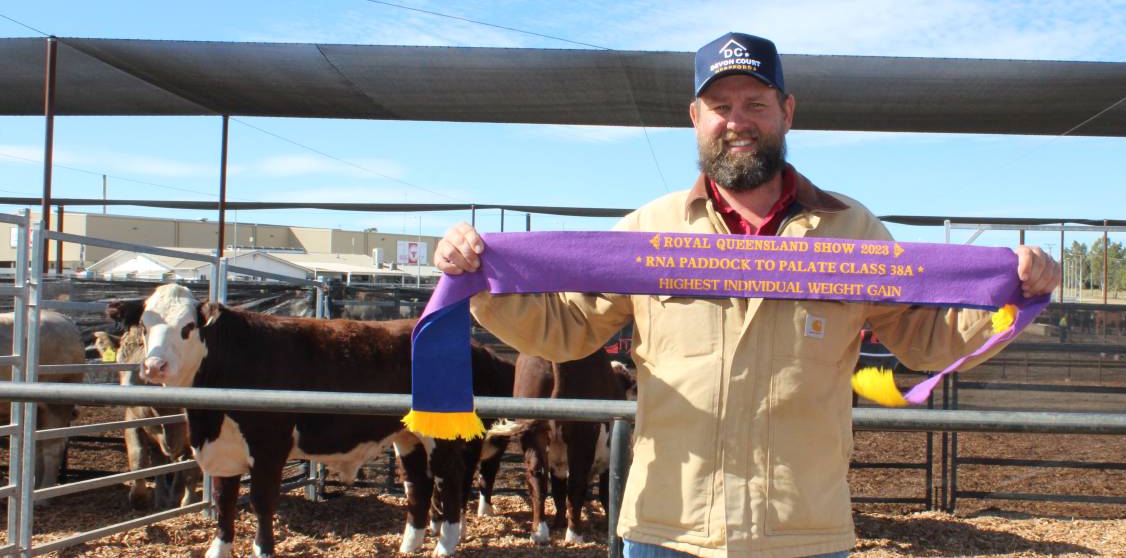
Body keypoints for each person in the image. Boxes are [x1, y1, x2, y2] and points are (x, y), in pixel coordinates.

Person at [436, 32, 1061, 558]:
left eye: (755, 103)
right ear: (695, 118)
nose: (738, 121)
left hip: (803, 532)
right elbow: (566, 328)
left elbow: (925, 338)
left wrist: (1016, 297)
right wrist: (481, 281)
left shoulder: (852, 230)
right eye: (721, 105)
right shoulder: (649, 230)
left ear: (787, 111)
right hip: (668, 528)